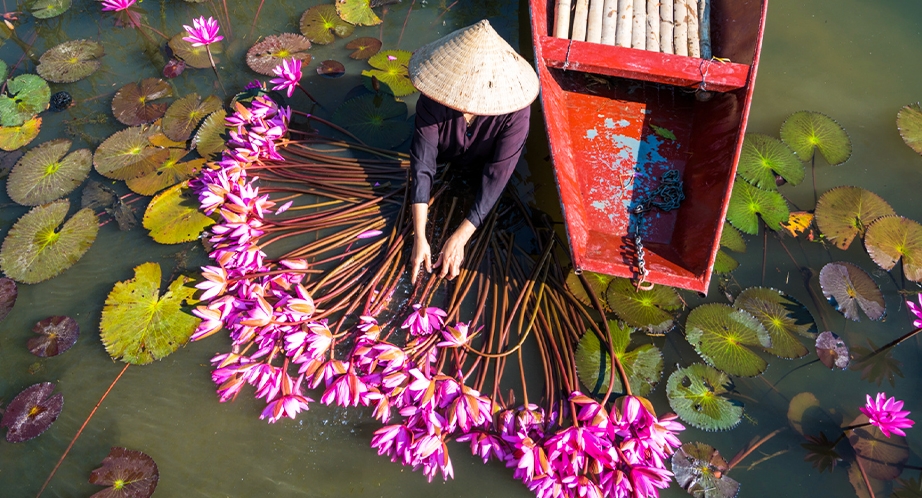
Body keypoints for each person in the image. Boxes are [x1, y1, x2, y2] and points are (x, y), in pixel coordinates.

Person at [406, 19, 540, 284]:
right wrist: (419, 235)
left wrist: (460, 236)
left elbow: (497, 175)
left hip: (485, 165)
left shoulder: (514, 110)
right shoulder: (434, 99)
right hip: (444, 157)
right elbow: (423, 164)